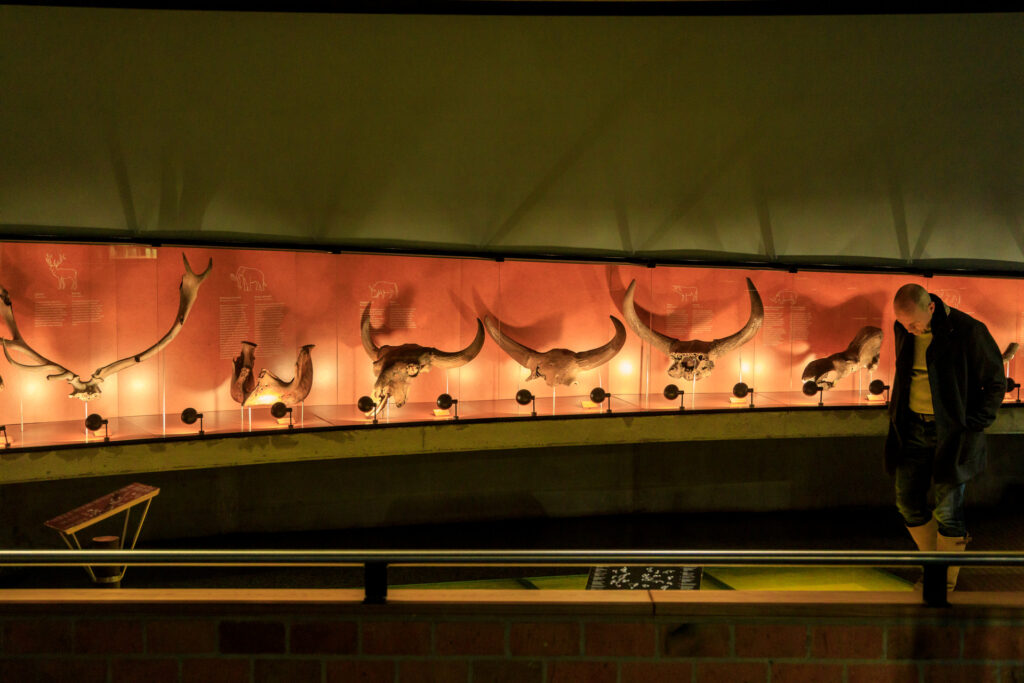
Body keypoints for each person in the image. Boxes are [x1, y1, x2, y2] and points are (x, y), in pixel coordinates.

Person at [886, 283, 1005, 590]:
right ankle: (933, 568)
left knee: (948, 511)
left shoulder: (968, 331)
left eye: (913, 323)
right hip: (912, 428)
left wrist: (973, 423)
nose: (909, 330)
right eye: (903, 324)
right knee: (907, 501)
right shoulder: (905, 329)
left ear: (931, 307)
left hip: (952, 434)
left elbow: (994, 382)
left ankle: (942, 583)